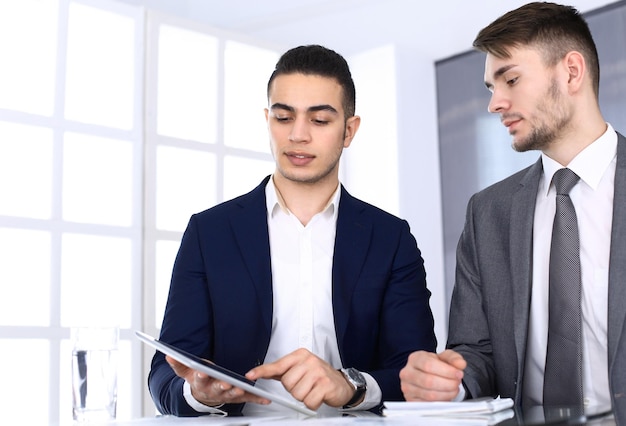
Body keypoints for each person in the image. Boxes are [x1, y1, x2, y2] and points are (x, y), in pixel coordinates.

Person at [148, 44, 437, 417]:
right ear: (267, 120)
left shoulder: (391, 239)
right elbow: (163, 376)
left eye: (319, 120)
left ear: (349, 130)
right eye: (284, 118)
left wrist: (351, 385)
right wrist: (200, 393)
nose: (298, 135)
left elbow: (416, 375)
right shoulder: (209, 233)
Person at [399, 2, 626, 423]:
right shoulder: (487, 212)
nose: (495, 103)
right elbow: (476, 352)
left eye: (511, 79)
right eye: (491, 86)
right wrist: (450, 380)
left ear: (571, 72)